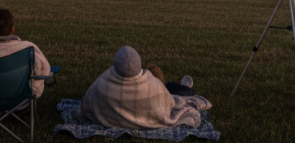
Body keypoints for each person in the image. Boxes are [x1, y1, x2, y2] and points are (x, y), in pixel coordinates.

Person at [77, 46, 207, 130]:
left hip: (110, 120)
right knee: (157, 72)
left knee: (158, 76)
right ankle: (185, 89)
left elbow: (83, 108)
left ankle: (183, 88)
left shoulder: (101, 83)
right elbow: (171, 103)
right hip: (155, 98)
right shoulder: (151, 85)